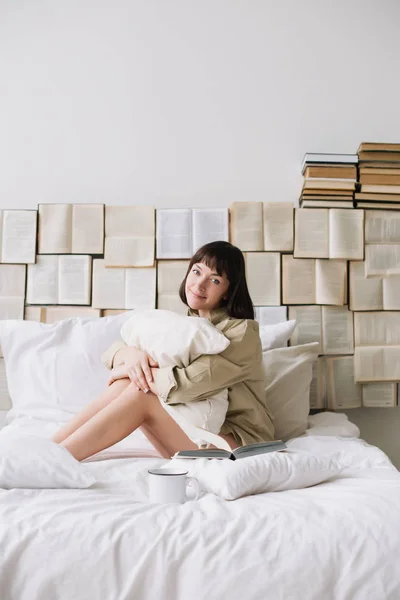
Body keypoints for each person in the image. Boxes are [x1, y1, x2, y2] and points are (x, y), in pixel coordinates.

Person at [52, 241, 275, 461]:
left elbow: (187, 385)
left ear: (228, 291)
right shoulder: (191, 328)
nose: (199, 285)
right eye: (196, 272)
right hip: (193, 432)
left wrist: (135, 371)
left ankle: (58, 460)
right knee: (129, 383)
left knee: (141, 392)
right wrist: (130, 357)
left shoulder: (242, 333)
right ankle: (50, 447)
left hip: (238, 445)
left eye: (214, 280)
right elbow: (114, 352)